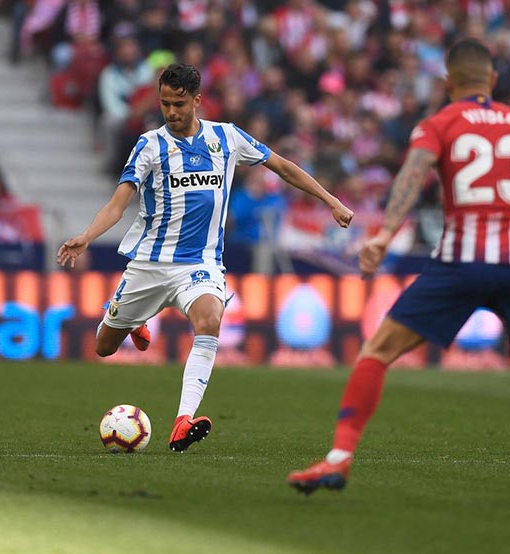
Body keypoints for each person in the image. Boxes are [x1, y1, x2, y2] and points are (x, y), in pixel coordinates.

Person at [287, 39, 510, 509]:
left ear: (448, 83)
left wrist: (385, 234)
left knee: (378, 351)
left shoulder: (440, 123)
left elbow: (413, 173)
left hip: (460, 262)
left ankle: (340, 457)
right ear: (492, 81)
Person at [57, 63, 354, 452]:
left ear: (197, 100)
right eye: (165, 104)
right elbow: (118, 203)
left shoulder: (226, 138)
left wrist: (330, 201)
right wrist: (86, 236)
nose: (172, 112)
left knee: (210, 319)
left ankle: (183, 421)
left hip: (201, 264)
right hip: (150, 263)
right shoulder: (150, 145)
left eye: (179, 103)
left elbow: (281, 166)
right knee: (104, 347)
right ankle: (128, 316)